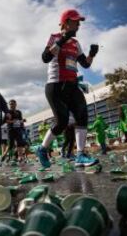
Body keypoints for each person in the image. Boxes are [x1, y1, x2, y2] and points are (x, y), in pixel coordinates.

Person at [36, 9, 99, 169]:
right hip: (55, 86)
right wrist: (63, 38)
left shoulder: (76, 44)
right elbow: (45, 58)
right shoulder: (55, 37)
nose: (78, 25)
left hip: (72, 85)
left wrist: (92, 54)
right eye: (76, 22)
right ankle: (42, 149)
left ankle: (80, 155)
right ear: (66, 23)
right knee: (62, 122)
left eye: (79, 23)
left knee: (82, 114)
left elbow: (85, 64)